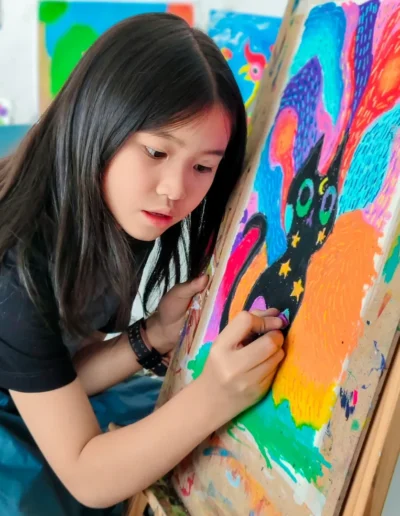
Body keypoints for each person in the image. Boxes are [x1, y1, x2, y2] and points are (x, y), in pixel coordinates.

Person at [0, 13, 285, 514]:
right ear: (98, 122)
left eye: (203, 166)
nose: (175, 189)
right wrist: (213, 396)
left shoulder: (114, 213)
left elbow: (58, 374)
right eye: (156, 152)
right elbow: (87, 475)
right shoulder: (16, 274)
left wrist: (151, 335)